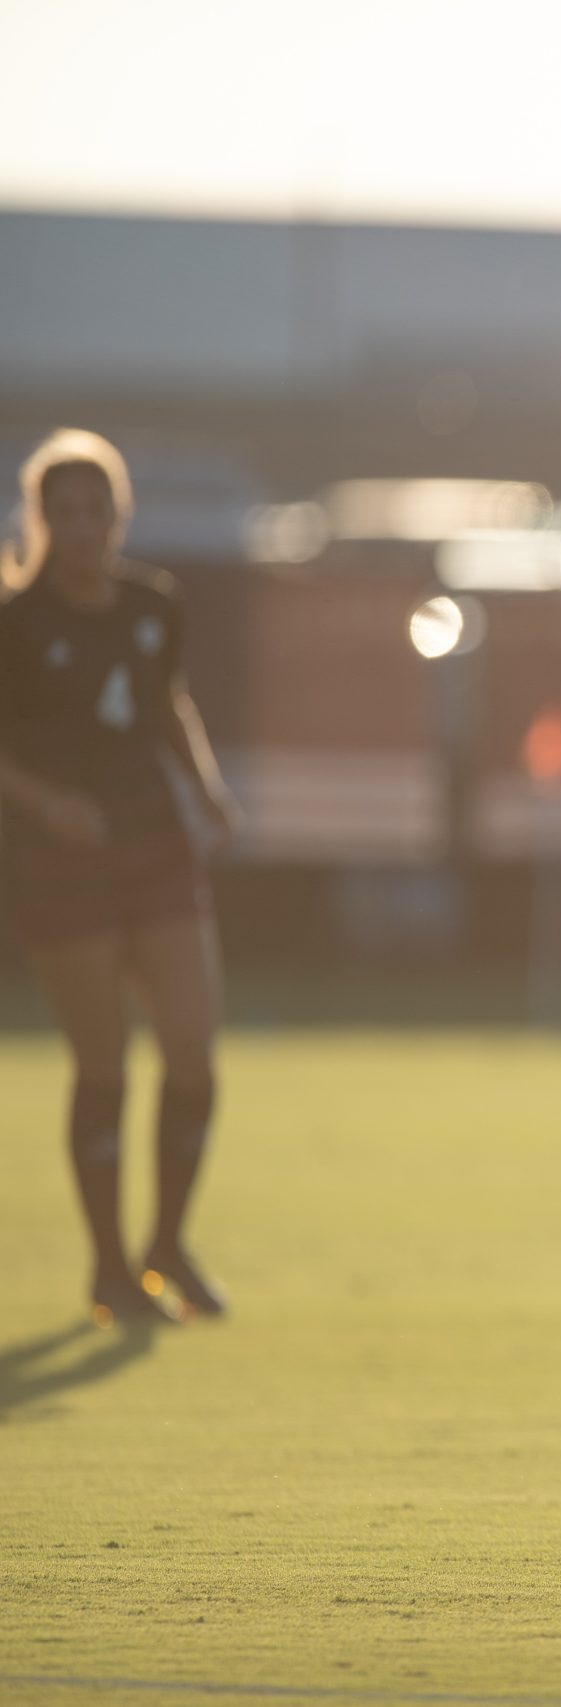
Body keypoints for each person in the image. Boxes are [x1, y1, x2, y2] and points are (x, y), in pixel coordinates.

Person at [0, 429, 238, 1327]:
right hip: (62, 863)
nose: (82, 526)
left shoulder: (153, 604)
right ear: (44, 521)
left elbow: (167, 700)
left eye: (95, 509)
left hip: (153, 842)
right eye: (64, 512)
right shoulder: (15, 623)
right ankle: (108, 1268)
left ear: (118, 515)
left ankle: (167, 1242)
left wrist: (207, 791)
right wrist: (47, 803)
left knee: (193, 1052)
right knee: (105, 1063)